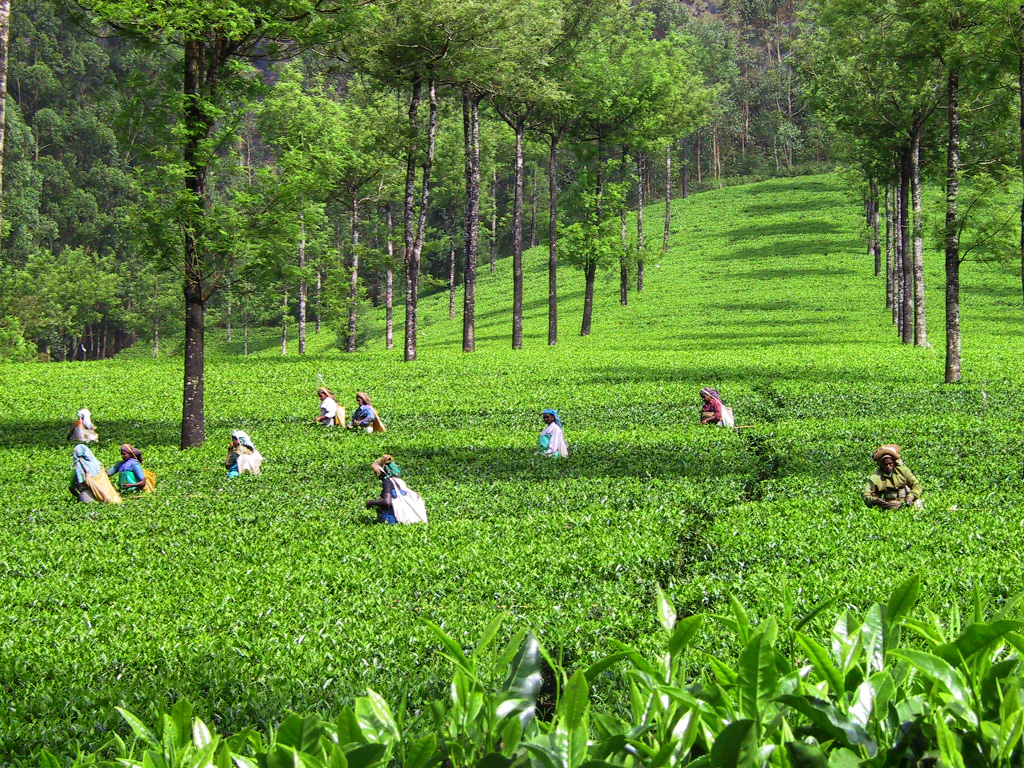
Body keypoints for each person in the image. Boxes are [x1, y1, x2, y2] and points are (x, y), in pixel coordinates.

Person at [863, 445, 922, 509]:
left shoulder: (903, 471)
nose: (888, 466)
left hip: (907, 501)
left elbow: (917, 485)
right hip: (889, 505)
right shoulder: (875, 477)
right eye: (885, 464)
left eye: (890, 463)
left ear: (894, 463)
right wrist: (875, 500)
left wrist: (911, 497)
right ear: (881, 465)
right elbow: (866, 494)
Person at [365, 454, 402, 524]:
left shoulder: (388, 482)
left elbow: (387, 502)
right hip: (401, 517)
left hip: (391, 518)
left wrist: (371, 502)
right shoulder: (398, 480)